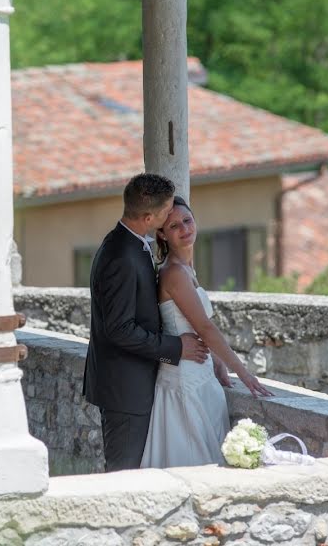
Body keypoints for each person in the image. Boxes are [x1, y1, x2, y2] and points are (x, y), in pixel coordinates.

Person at [83, 174, 211, 472]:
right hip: (125, 390)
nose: (172, 216)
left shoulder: (131, 243)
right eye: (167, 213)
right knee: (124, 476)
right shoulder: (122, 256)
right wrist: (176, 347)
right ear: (149, 216)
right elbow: (119, 329)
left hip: (135, 383)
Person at [141, 196, 274, 469]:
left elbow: (193, 326)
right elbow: (204, 326)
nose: (184, 229)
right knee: (193, 461)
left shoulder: (187, 269)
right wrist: (244, 374)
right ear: (162, 235)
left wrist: (218, 362)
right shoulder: (174, 273)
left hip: (200, 373)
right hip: (184, 381)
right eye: (174, 225)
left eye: (187, 221)